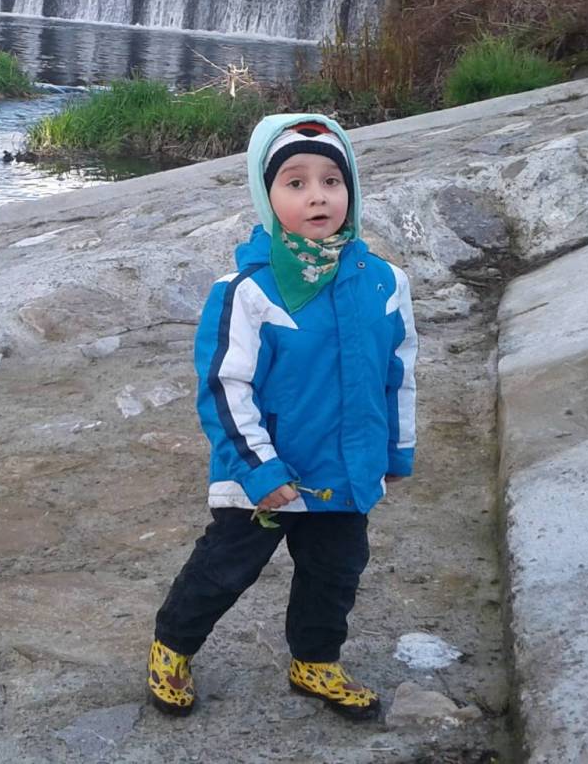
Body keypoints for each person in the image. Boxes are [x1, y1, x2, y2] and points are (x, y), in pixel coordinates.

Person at [146, 113, 418, 721]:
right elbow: (224, 388)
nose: (317, 196)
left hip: (343, 471)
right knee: (226, 568)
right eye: (295, 183)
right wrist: (260, 471)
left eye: (331, 180)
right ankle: (172, 646)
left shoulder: (384, 282)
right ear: (266, 195)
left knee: (335, 572)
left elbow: (398, 372)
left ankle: (314, 661)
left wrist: (395, 450)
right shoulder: (247, 291)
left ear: (352, 190)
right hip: (264, 476)